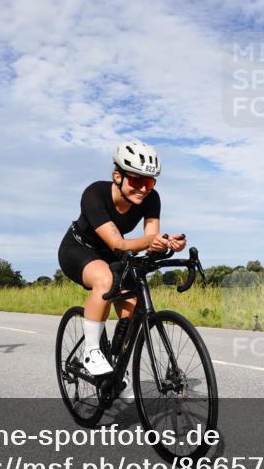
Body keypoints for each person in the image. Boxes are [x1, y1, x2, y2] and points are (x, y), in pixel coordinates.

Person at [58, 141, 186, 401]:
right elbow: (117, 242)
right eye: (136, 181)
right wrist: (151, 241)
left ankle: (116, 372)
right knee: (104, 279)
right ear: (118, 176)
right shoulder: (94, 194)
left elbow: (149, 239)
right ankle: (91, 351)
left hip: (113, 254)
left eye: (148, 183)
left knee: (133, 302)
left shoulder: (151, 199)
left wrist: (164, 243)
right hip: (78, 249)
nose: (142, 189)